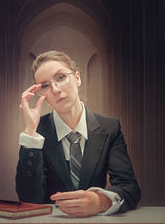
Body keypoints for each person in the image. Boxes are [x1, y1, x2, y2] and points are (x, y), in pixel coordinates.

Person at [16, 50, 141, 217]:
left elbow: (130, 188)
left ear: (77, 78)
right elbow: (29, 200)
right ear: (41, 94)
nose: (55, 89)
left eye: (60, 77)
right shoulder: (37, 133)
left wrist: (101, 201)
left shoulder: (110, 127)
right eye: (45, 86)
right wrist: (30, 132)